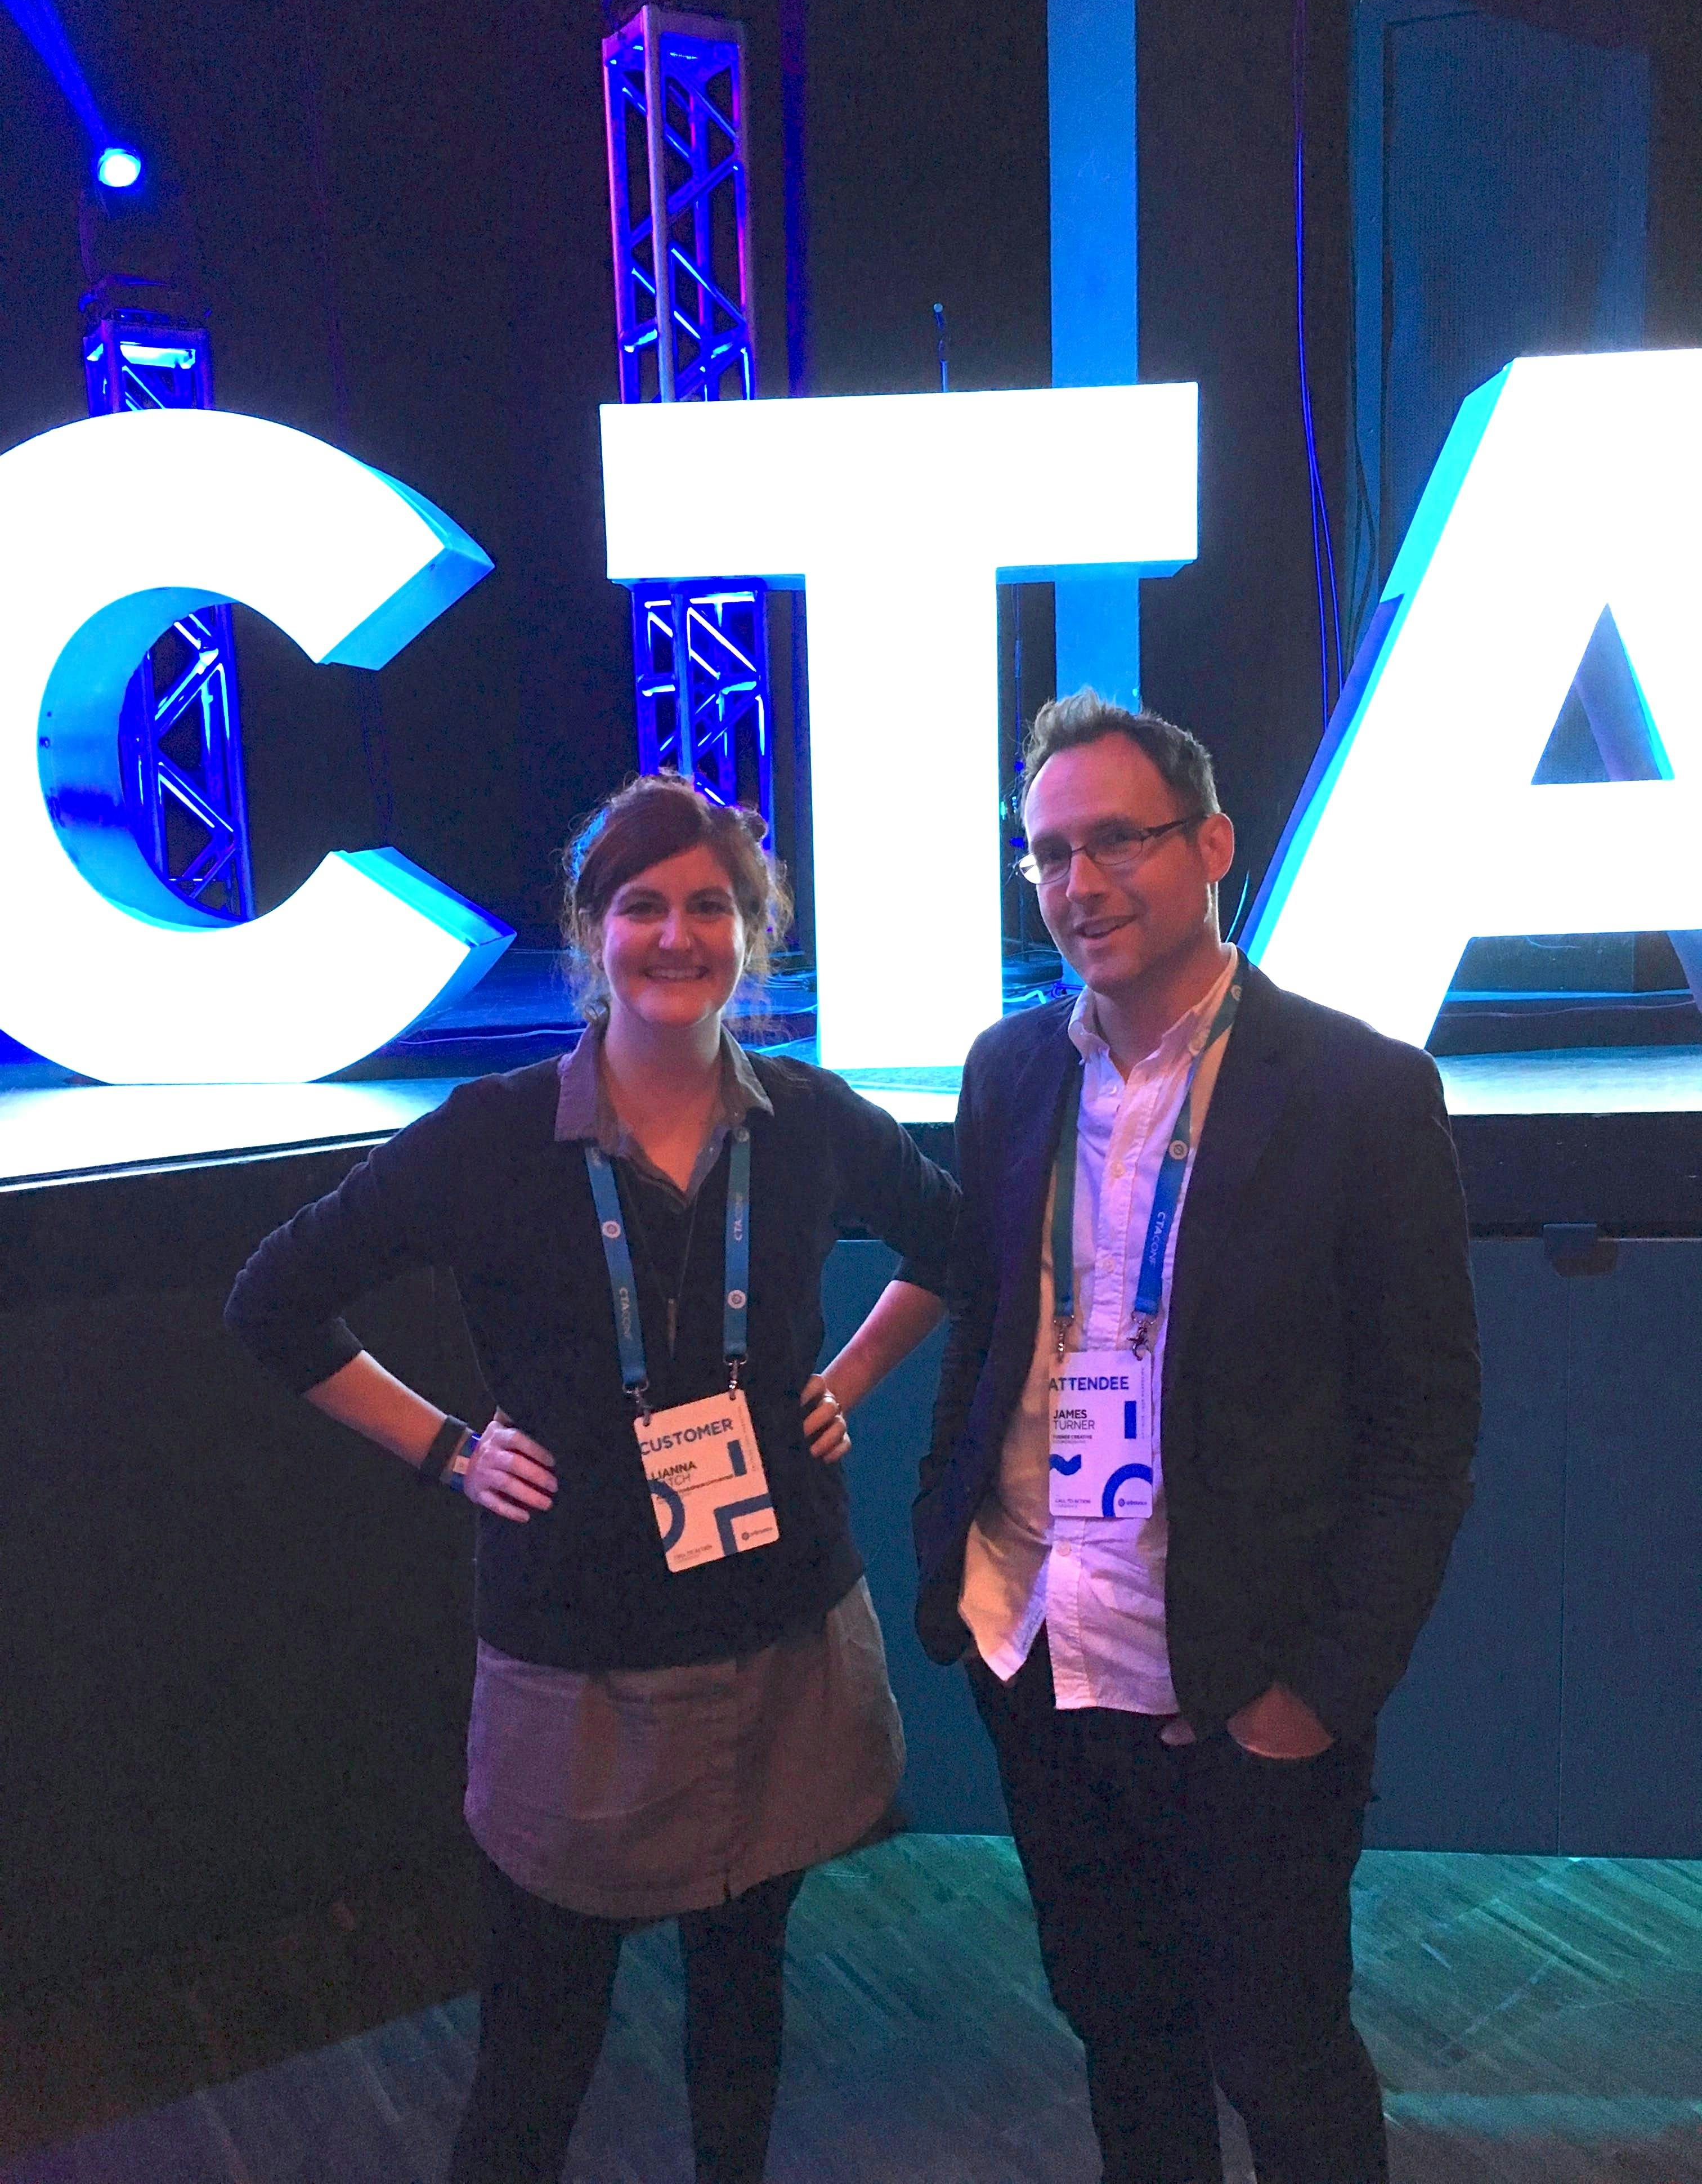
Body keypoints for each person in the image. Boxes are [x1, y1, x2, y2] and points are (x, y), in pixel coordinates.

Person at [225, 774, 956, 2184]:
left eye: (710, 906)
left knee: (745, 2010)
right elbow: (276, 1299)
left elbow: (953, 1243)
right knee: (537, 2049)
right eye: (642, 906)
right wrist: (450, 1447)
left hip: (781, 1636)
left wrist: (844, 1384)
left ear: (756, 931)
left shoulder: (804, 1118)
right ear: (589, 930)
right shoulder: (494, 1135)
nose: (675, 935)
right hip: (581, 1664)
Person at [912, 692, 1480, 2184]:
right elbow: (987, 1339)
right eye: (1047, 857)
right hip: (1042, 1659)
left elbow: (1424, 1424)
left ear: (1213, 844)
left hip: (1241, 1690)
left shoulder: (1361, 1093)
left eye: (1116, 842)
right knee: (1124, 2047)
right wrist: (964, 1591)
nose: (1079, 886)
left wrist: (1319, 1694)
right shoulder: (1008, 1069)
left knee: (1283, 2065)